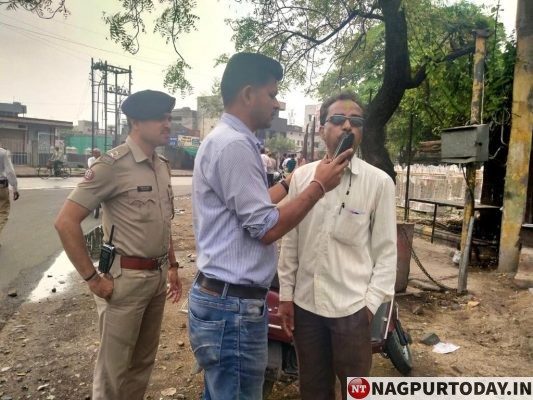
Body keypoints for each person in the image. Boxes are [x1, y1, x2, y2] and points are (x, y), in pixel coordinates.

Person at [189, 52, 352, 399]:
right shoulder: (234, 145)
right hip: (233, 309)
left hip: (223, 301)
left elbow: (249, 203)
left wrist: (290, 181)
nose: (277, 104)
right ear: (248, 95)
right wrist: (318, 186)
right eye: (272, 94)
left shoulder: (227, 139)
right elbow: (265, 228)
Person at [54, 89, 183, 400]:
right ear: (136, 121)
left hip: (156, 277)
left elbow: (162, 222)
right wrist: (91, 279)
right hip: (124, 280)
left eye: (169, 118)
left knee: (142, 364)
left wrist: (174, 265)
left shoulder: (161, 165)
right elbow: (65, 222)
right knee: (114, 369)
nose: (168, 124)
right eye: (160, 118)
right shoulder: (112, 165)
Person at [278, 91, 397, 400]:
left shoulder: (379, 183)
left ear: (362, 131)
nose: (347, 127)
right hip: (307, 307)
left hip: (352, 310)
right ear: (322, 130)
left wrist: (369, 307)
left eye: (356, 121)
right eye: (338, 120)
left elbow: (386, 253)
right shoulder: (303, 178)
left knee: (356, 391)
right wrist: (287, 296)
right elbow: (291, 241)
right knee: (314, 389)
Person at [0, 145, 19, 245]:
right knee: (3, 212)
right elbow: (10, 172)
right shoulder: (3, 153)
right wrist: (15, 188)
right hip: (1, 187)